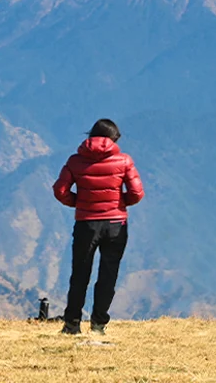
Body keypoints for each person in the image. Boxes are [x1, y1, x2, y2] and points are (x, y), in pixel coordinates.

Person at [52, 118, 145, 335]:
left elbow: (60, 190)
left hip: (86, 224)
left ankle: (72, 324)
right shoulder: (124, 161)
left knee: (80, 274)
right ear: (114, 139)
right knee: (108, 274)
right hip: (116, 225)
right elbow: (137, 193)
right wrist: (119, 203)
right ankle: (98, 324)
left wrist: (80, 203)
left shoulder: (75, 161)